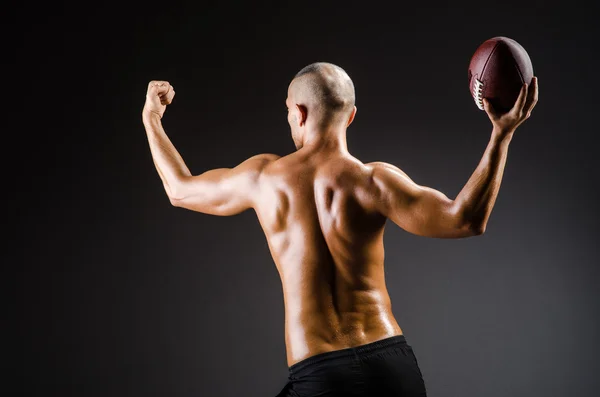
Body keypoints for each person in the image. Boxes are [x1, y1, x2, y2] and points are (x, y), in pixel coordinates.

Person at [142, 62, 538, 397]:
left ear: (298, 111)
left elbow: (179, 190)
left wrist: (152, 120)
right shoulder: (374, 180)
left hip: (321, 373)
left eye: (287, 113)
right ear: (350, 116)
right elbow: (464, 220)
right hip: (391, 365)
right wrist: (501, 135)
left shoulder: (263, 178)